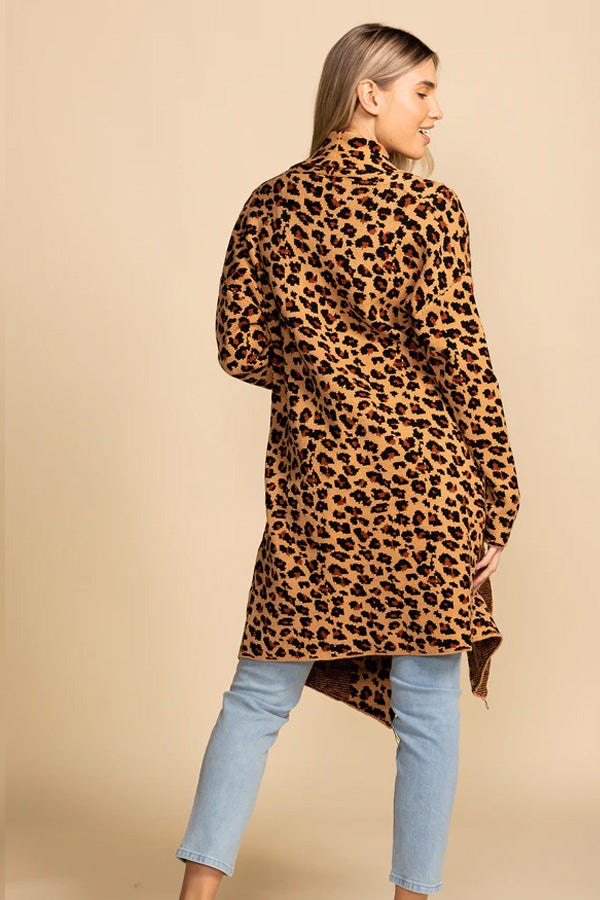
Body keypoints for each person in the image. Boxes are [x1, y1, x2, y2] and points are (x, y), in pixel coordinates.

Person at [175, 22, 521, 900]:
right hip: (427, 486)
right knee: (429, 707)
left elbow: (238, 347)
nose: (435, 112)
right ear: (369, 93)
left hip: (314, 490)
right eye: (422, 91)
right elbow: (462, 360)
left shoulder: (270, 204)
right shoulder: (429, 210)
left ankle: (195, 895)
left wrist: (323, 377)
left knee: (258, 696)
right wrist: (499, 496)